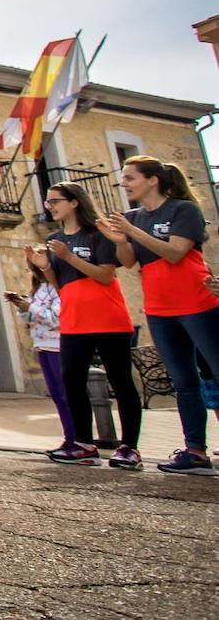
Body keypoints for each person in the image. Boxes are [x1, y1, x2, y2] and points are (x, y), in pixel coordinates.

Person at [99, 156, 219, 476]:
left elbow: (176, 252)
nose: (123, 183)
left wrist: (131, 232)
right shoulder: (131, 218)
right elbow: (127, 262)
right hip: (160, 309)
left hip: (198, 303)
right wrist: (120, 240)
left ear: (153, 180)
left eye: (129, 178)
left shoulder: (183, 210)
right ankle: (195, 452)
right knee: (183, 382)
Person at [31, 181, 143, 469]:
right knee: (72, 381)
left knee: (121, 382)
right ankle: (82, 444)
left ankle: (129, 447)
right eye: (48, 202)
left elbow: (105, 276)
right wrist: (46, 266)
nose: (50, 206)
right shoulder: (55, 238)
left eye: (55, 201)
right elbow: (61, 286)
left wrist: (68, 257)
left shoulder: (98, 234)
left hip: (107, 317)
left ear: (74, 202)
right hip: (74, 319)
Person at [4, 257, 71, 455]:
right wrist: (21, 306)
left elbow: (57, 319)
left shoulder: (61, 289)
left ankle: (77, 438)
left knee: (67, 396)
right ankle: (69, 439)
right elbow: (32, 317)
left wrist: (30, 308)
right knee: (58, 396)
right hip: (42, 345)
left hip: (59, 345)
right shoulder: (39, 289)